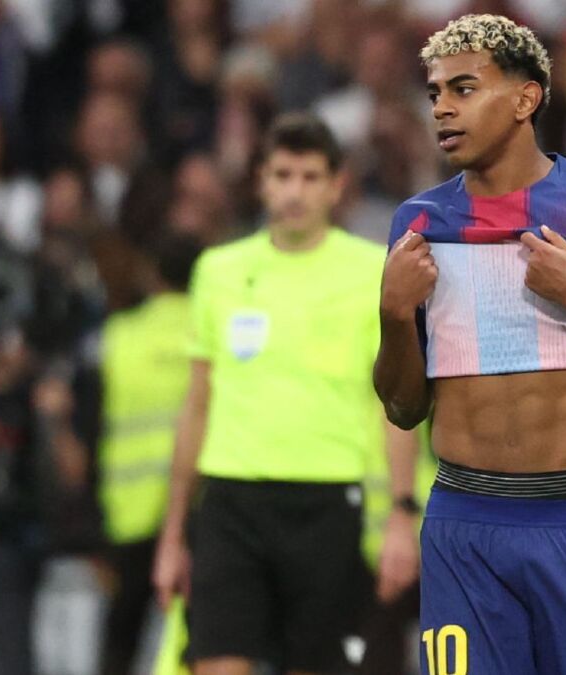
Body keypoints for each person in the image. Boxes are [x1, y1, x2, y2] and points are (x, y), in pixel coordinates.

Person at [375, 14, 566, 675]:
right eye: (435, 93)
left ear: (526, 98)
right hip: (463, 527)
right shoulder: (420, 222)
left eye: (464, 88)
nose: (442, 108)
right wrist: (394, 316)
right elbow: (403, 408)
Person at [153, 112, 418, 675]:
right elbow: (196, 406)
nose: (295, 191)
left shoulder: (371, 271)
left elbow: (393, 402)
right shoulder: (219, 271)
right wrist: (173, 535)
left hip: (327, 504)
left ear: (336, 185)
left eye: (310, 177)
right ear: (261, 181)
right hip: (231, 503)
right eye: (283, 175)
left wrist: (401, 515)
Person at [98, 235, 201, 675]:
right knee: (196, 637)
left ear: (153, 275)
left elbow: (92, 421)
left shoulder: (119, 335)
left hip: (131, 510)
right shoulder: (211, 330)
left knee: (121, 637)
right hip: (200, 505)